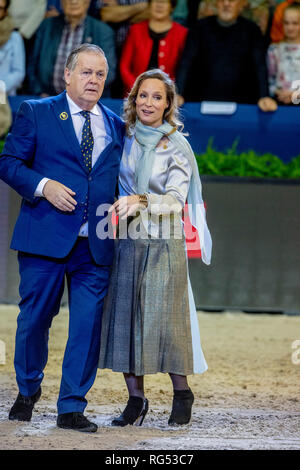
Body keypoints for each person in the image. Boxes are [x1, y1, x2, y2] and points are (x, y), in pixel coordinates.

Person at [0, 43, 125, 432]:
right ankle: (28, 389)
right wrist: (43, 185)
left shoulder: (117, 125)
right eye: (86, 72)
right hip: (45, 239)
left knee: (86, 327)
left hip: (96, 245)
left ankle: (71, 406)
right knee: (34, 320)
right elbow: (8, 163)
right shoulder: (35, 112)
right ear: (67, 75)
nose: (93, 80)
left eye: (100, 74)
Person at [99, 68, 212, 426]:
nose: (148, 102)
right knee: (126, 320)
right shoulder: (124, 137)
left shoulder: (176, 146)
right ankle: (136, 401)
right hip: (128, 241)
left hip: (165, 243)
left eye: (157, 97)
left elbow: (177, 200)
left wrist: (141, 199)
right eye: (142, 95)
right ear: (133, 100)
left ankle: (182, 393)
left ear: (168, 105)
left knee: (166, 323)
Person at [176, 0, 277, 111]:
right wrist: (178, 92)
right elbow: (186, 62)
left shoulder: (253, 31)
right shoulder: (198, 28)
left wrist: (264, 96)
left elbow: (260, 67)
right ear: (216, 3)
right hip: (200, 103)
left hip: (243, 105)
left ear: (242, 4)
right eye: (221, 0)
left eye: (232, 0)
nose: (226, 4)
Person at [27, 0, 116, 96]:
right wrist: (39, 92)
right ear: (61, 2)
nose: (73, 2)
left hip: (86, 102)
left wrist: (82, 96)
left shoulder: (103, 31)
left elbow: (108, 72)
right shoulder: (46, 26)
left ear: (87, 2)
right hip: (47, 100)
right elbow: (32, 67)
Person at [120, 0, 188, 96]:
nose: (159, 5)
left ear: (172, 7)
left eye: (164, 2)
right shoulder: (135, 30)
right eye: (155, 1)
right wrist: (137, 88)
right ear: (149, 4)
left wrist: (173, 93)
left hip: (169, 96)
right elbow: (124, 67)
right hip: (135, 95)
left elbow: (184, 68)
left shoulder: (182, 33)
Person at [267, 2, 300, 104]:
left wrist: (294, 94)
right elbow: (269, 80)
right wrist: (277, 92)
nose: (290, 28)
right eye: (286, 23)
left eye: (295, 23)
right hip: (279, 102)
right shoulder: (274, 50)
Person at [0, 0, 25, 95]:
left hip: (4, 95)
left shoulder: (14, 37)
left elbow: (19, 73)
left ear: (5, 11)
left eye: (0, 8)